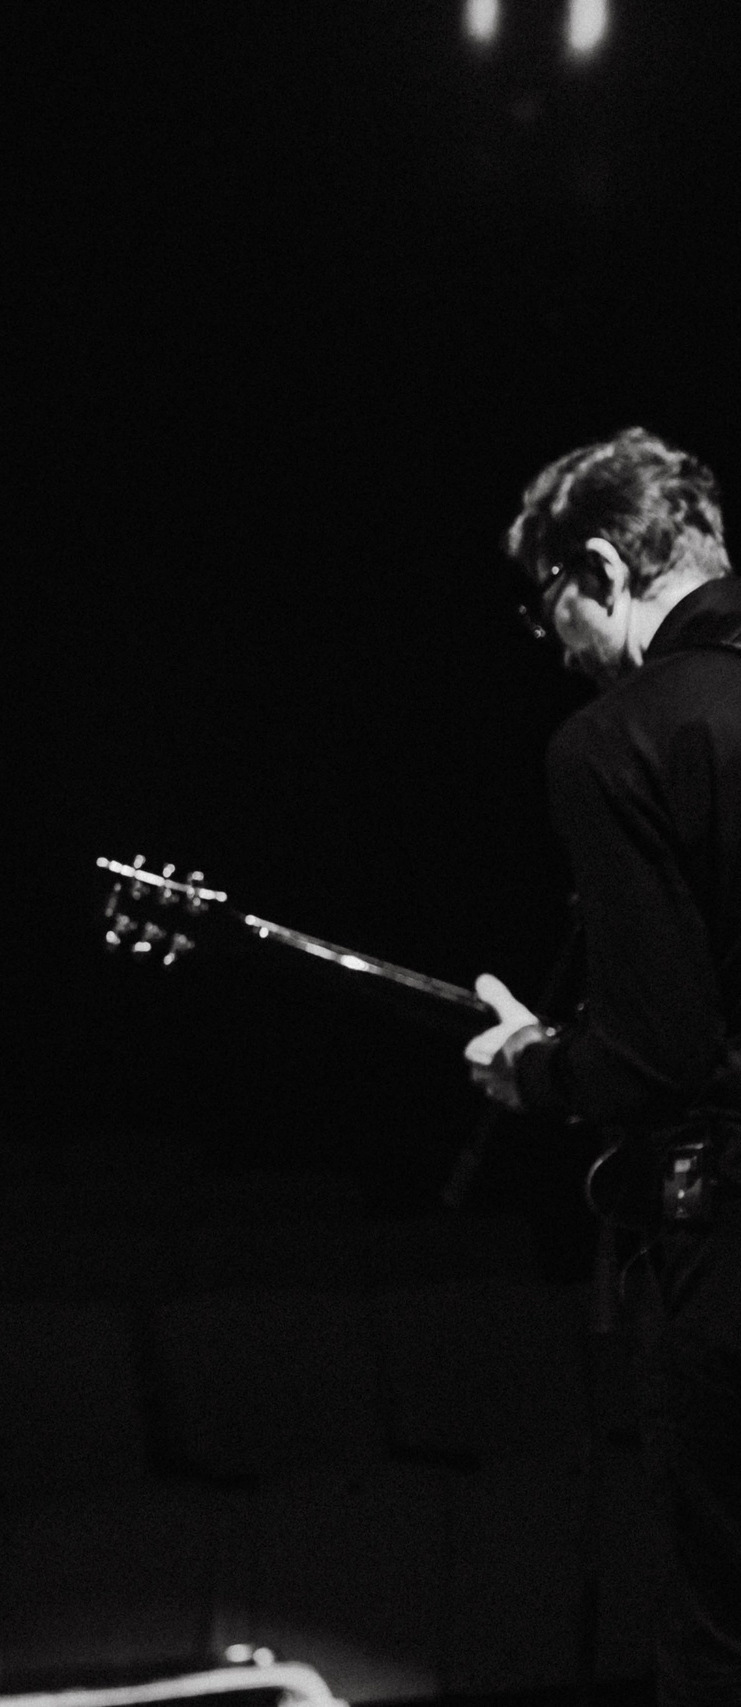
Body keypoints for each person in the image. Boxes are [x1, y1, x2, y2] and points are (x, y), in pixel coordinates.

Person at [466, 428, 741, 1706]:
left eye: (550, 618)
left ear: (598, 568)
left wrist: (539, 1068)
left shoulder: (617, 740)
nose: (560, 655)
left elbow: (652, 1057)